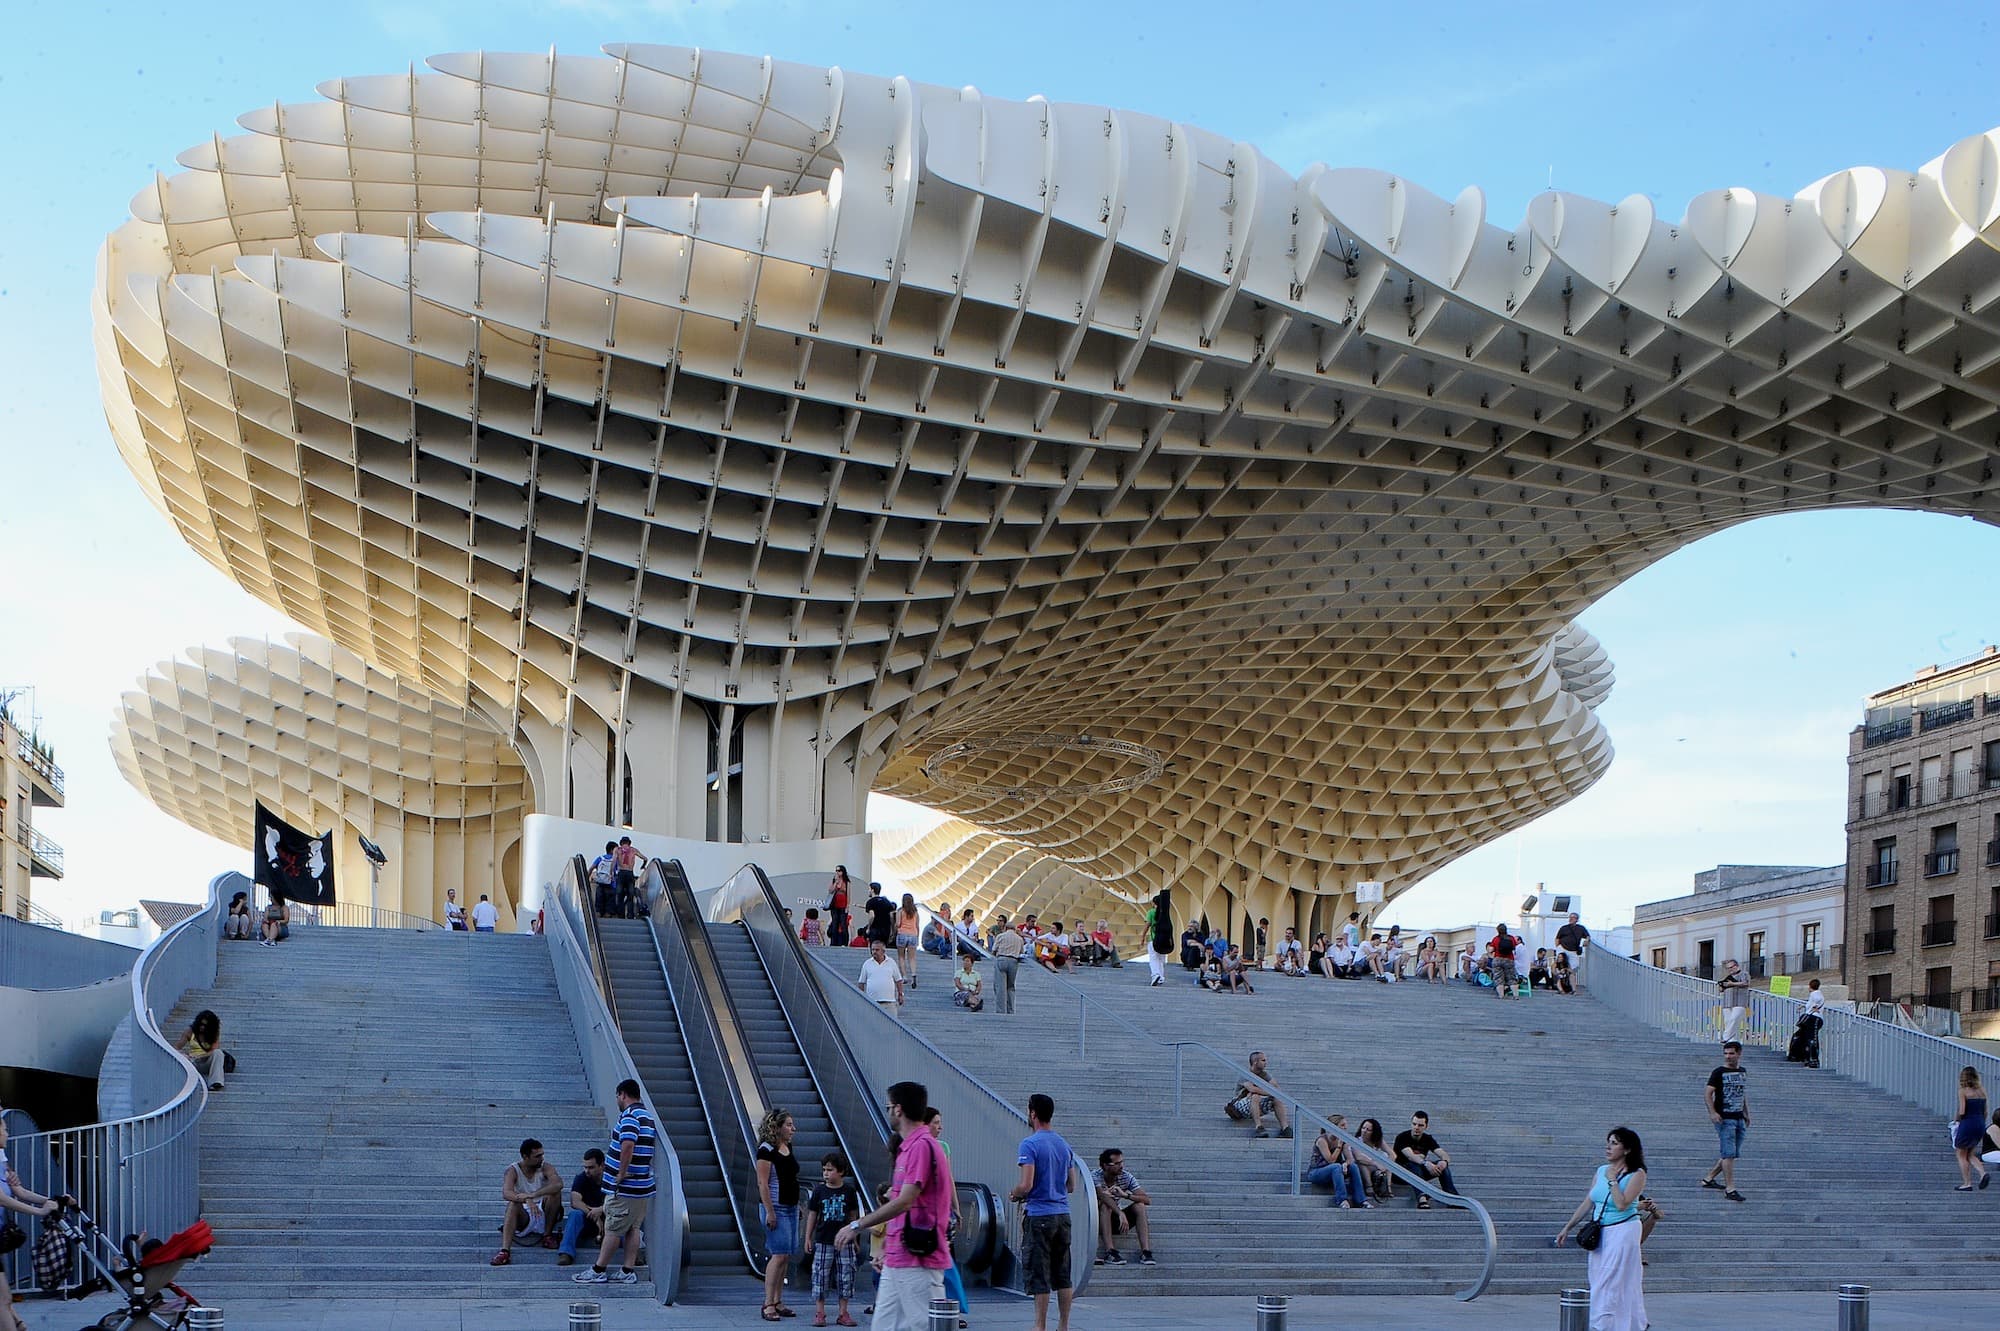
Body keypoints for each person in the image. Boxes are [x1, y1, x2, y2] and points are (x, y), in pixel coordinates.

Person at [832, 1081, 954, 1331]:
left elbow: (905, 1201)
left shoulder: (922, 1146)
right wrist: (887, 1247)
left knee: (924, 1326)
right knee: (884, 1326)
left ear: (898, 1109)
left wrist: (857, 1224)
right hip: (899, 1258)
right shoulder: (907, 1148)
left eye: (888, 1106)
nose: (888, 1112)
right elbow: (905, 1208)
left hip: (919, 1259)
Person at [1554, 1126, 1648, 1331]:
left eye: (1614, 1143)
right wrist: (1568, 1227)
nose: (1608, 1147)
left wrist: (1613, 1180)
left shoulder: (1637, 1174)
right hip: (1601, 1232)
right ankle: (1626, 1324)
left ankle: (1599, 1325)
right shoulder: (1600, 1170)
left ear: (1627, 1149)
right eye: (1609, 1142)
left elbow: (1622, 1204)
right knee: (1598, 1277)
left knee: (1608, 1281)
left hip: (1623, 1230)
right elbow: (1589, 1202)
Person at [574, 1079, 656, 1285]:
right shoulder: (647, 1115)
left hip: (626, 1188)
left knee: (613, 1228)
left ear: (622, 1094)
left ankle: (598, 1269)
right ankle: (627, 1270)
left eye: (617, 1096)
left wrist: (621, 1173)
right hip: (642, 1187)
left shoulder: (629, 1116)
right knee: (633, 1228)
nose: (617, 1101)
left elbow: (628, 1144)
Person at [0, 1107, 73, 1331]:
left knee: (4, 1299)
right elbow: (1, 1198)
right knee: (2, 1300)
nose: (7, 1133)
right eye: (4, 1128)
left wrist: (52, 1201)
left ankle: (18, 1324)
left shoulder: (1, 1157)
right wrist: (39, 1212)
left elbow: (18, 1191)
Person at [1010, 1093, 1076, 1331]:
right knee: (1063, 1273)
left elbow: (1026, 1185)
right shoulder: (1063, 1144)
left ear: (1033, 1113)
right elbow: (1072, 1186)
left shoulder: (1030, 1144)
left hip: (1039, 1216)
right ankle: (1064, 1325)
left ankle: (1039, 1326)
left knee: (1040, 1274)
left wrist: (1015, 1193)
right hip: (1063, 1215)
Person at [922, 1108, 972, 1328]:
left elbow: (948, 1179)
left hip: (941, 1213)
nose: (939, 1127)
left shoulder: (943, 1147)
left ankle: (951, 1308)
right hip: (926, 1214)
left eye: (940, 1123)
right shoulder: (919, 1147)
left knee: (945, 1262)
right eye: (935, 1122)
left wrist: (956, 1207)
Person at [803, 1151, 865, 1327]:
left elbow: (853, 1216)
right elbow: (813, 1215)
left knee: (846, 1274)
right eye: (824, 1170)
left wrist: (855, 1238)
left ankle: (843, 1312)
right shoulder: (819, 1191)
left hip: (844, 1240)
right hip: (823, 1239)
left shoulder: (849, 1191)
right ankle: (820, 1312)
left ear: (841, 1172)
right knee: (820, 1275)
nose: (826, 1174)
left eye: (830, 1170)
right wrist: (808, 1236)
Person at [756, 1108, 802, 1320]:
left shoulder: (787, 1146)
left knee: (786, 1255)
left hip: (791, 1206)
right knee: (778, 1254)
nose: (793, 1129)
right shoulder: (766, 1150)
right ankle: (768, 1303)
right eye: (789, 1125)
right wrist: (769, 1211)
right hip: (775, 1206)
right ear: (778, 1127)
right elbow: (762, 1183)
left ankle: (778, 1299)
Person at [491, 1137, 564, 1264]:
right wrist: (525, 1199)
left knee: (555, 1194)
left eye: (542, 1155)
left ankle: (547, 1236)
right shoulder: (513, 1170)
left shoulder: (546, 1167)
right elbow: (506, 1193)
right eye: (537, 1156)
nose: (541, 1158)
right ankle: (505, 1251)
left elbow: (558, 1184)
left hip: (543, 1211)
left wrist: (533, 1195)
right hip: (524, 1216)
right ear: (525, 1156)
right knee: (513, 1204)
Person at [1699, 1040, 1750, 1202]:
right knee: (1728, 1153)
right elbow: (1707, 1093)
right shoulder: (1718, 1072)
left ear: (1739, 1054)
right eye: (1726, 1053)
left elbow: (1741, 1093)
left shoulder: (1742, 1071)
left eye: (1731, 1053)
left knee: (1731, 1153)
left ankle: (1708, 1178)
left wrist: (1746, 1113)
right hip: (1724, 1118)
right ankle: (1730, 1188)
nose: (1728, 1057)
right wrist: (1712, 1112)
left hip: (1738, 1117)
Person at [1092, 1147, 1155, 1264]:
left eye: (1121, 1162)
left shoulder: (1126, 1176)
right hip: (1097, 1222)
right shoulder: (1095, 1176)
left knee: (1140, 1206)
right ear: (1105, 1166)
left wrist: (1126, 1195)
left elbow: (1147, 1199)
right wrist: (1120, 1212)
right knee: (1106, 1205)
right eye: (1116, 1163)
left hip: (1118, 1222)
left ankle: (1146, 1252)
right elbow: (1102, 1196)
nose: (1121, 1166)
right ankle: (1110, 1251)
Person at [1393, 1111, 1459, 1208]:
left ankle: (1452, 1197)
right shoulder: (1402, 1137)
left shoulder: (1427, 1139)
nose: (1416, 1127)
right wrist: (1426, 1163)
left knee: (1441, 1165)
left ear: (1426, 1126)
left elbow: (1442, 1153)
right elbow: (1410, 1156)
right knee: (1413, 1164)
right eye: (1414, 1124)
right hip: (1400, 1174)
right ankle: (1421, 1198)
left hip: (1418, 1173)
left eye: (1420, 1125)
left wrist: (1444, 1162)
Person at [556, 1149, 607, 1267]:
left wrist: (600, 1210)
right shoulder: (581, 1178)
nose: (587, 1171)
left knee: (622, 1216)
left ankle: (632, 1255)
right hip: (588, 1219)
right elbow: (575, 1202)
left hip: (608, 1218)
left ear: (602, 1165)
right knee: (575, 1214)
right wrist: (594, 1215)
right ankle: (566, 1253)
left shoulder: (611, 1178)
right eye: (585, 1167)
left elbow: (619, 1202)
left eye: (591, 1167)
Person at [1306, 1120, 1371, 1209]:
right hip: (1316, 1172)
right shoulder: (1322, 1140)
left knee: (1353, 1167)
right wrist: (1339, 1146)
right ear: (1333, 1126)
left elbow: (1350, 1159)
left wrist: (1345, 1164)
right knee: (1336, 1166)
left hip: (1335, 1171)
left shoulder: (1343, 1139)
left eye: (1345, 1125)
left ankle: (1361, 1200)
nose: (1345, 1128)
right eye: (1342, 1125)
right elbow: (1331, 1161)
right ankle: (1342, 1200)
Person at [1225, 1051, 1291, 1138]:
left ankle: (1285, 1128)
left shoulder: (1264, 1074)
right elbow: (1252, 1089)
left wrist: (1272, 1092)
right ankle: (1259, 1127)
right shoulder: (1245, 1074)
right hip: (1239, 1106)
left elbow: (1277, 1088)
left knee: (1276, 1098)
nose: (1266, 1063)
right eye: (1263, 1060)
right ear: (1256, 1062)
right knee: (1255, 1096)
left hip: (1255, 1104)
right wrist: (1270, 1091)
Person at [1953, 1066, 1991, 1191]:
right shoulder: (1982, 1091)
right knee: (1970, 1153)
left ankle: (1967, 1183)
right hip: (1980, 1123)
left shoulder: (1963, 1091)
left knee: (1960, 1153)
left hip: (1968, 1123)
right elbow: (1986, 1111)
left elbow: (1962, 1111)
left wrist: (1956, 1119)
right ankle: (1983, 1173)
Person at [180, 1009, 226, 1091]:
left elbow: (214, 1049)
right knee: (184, 1056)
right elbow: (176, 1047)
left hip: (206, 1061)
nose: (202, 1027)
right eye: (201, 1024)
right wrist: (185, 1055)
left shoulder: (214, 1033)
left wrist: (199, 1056)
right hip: (193, 1062)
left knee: (218, 1053)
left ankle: (216, 1082)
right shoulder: (190, 1032)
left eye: (205, 1025)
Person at [858, 938, 904, 1019]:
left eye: (877, 950)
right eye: (873, 950)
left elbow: (898, 980)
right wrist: (862, 998)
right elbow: (861, 982)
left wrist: (900, 994)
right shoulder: (867, 964)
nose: (874, 952)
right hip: (872, 1002)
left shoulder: (891, 962)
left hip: (889, 1003)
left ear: (883, 951)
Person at [1354, 1118, 1394, 1201]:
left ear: (1374, 1132)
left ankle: (1388, 1187)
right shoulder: (1357, 1141)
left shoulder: (1378, 1141)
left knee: (1388, 1160)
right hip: (1362, 1169)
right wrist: (1376, 1164)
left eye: (1368, 1130)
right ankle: (1369, 1187)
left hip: (1376, 1169)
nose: (1364, 1131)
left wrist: (1385, 1166)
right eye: (1363, 1128)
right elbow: (1358, 1157)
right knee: (1362, 1163)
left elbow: (1392, 1155)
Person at [1716, 958, 1751, 1043]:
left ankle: (1725, 1037)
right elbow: (1721, 990)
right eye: (1728, 968)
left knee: (1734, 1019)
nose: (1730, 969)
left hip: (1740, 1002)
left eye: (1731, 967)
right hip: (1727, 1002)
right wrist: (1722, 986)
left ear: (1737, 966)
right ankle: (1731, 1041)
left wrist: (1732, 984)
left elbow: (1746, 983)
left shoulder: (1744, 974)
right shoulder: (1727, 977)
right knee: (1728, 1022)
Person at [895, 893, 924, 988]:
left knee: (901, 956)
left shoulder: (900, 911)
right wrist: (918, 937)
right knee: (912, 958)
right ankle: (913, 974)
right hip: (913, 935)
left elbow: (898, 924)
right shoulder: (916, 912)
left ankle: (904, 976)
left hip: (902, 934)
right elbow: (917, 926)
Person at [1146, 888, 1174, 988]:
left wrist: (1142, 937)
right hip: (1164, 941)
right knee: (1161, 959)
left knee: (1153, 959)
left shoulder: (1151, 912)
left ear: (1154, 903)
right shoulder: (1166, 914)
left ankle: (1155, 975)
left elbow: (1147, 925)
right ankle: (1161, 977)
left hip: (1153, 939)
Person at [612, 837, 641, 918]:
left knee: (619, 895)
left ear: (621, 843)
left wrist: (611, 873)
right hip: (630, 873)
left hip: (621, 873)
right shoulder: (633, 850)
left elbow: (614, 861)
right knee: (630, 895)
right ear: (629, 843)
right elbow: (645, 858)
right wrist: (643, 865)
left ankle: (620, 915)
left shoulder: (617, 849)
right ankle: (630, 915)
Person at [1555, 911, 1591, 976]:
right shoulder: (1564, 928)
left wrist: (1587, 940)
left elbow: (1587, 936)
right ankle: (1561, 977)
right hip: (1563, 948)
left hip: (1573, 951)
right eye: (1570, 917)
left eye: (1573, 917)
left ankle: (1568, 978)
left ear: (1577, 919)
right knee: (1561, 963)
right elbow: (1557, 938)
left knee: (1574, 966)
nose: (1571, 919)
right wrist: (1558, 947)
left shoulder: (1581, 928)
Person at [862, 884, 897, 951]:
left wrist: (868, 927)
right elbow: (891, 917)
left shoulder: (870, 902)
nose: (868, 891)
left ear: (872, 890)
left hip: (875, 929)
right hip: (885, 930)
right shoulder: (887, 902)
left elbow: (872, 916)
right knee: (882, 950)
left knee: (874, 950)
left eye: (869, 889)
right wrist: (892, 930)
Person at [1488, 925, 1519, 998]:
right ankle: (1516, 995)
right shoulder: (1511, 938)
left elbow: (1490, 949)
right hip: (1509, 959)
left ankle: (1501, 995)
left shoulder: (1496, 939)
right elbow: (1514, 948)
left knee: (1498, 978)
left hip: (1498, 959)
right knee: (1511, 977)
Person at [827, 865, 854, 948]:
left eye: (839, 870)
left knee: (843, 924)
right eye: (836, 870)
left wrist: (847, 906)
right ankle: (833, 942)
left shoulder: (846, 882)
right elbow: (830, 890)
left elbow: (848, 894)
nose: (837, 872)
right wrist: (835, 882)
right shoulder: (834, 880)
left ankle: (844, 942)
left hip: (843, 904)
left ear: (843, 872)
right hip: (835, 904)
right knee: (834, 923)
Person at [589, 842, 618, 916]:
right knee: (610, 902)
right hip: (611, 885)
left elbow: (591, 868)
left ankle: (598, 914)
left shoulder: (600, 858)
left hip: (600, 883)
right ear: (612, 850)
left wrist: (587, 877)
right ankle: (607, 914)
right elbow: (618, 872)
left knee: (599, 900)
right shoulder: (615, 860)